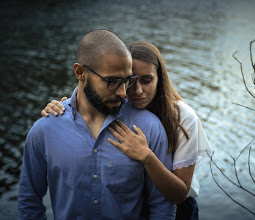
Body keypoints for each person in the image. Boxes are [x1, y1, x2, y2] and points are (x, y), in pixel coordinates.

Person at [41, 41, 211, 220]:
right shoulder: (119, 102)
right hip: (134, 205)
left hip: (179, 211)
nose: (137, 91)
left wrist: (147, 157)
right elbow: (86, 99)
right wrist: (60, 109)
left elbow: (179, 195)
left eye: (147, 80)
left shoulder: (183, 117)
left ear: (160, 78)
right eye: (130, 81)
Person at [18, 30, 176, 219]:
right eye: (112, 81)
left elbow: (162, 204)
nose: (123, 93)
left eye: (126, 81)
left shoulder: (149, 127)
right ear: (80, 72)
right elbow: (29, 202)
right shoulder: (44, 130)